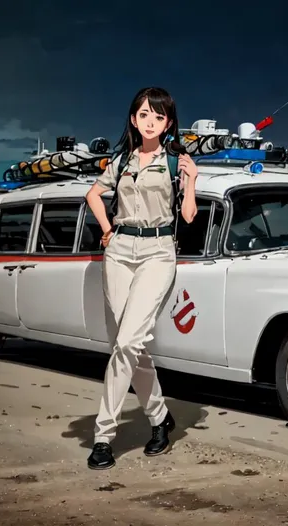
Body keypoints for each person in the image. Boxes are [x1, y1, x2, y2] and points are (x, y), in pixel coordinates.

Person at [84, 87, 198, 470]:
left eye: (159, 117)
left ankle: (103, 436)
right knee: (126, 344)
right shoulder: (121, 160)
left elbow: (188, 217)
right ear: (134, 119)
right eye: (145, 114)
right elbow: (93, 195)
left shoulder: (175, 162)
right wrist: (106, 229)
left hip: (157, 252)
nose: (151, 122)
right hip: (118, 252)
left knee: (128, 342)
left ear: (168, 124)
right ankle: (160, 417)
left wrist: (192, 181)